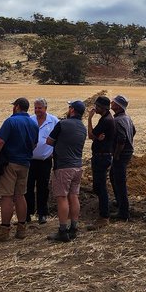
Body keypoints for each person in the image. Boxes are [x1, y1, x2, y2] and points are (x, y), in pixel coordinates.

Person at [0, 97, 37, 242]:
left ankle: (4, 230)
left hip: (10, 163)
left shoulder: (10, 121)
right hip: (25, 163)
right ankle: (21, 229)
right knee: (20, 195)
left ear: (17, 107)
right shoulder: (33, 123)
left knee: (7, 197)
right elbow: (34, 144)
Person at [45, 101, 88, 243]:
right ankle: (74, 228)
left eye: (70, 107)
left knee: (61, 197)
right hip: (77, 166)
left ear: (72, 110)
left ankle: (62, 231)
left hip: (63, 166)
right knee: (74, 196)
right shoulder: (82, 128)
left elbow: (49, 141)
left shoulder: (63, 123)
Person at [26, 98, 58, 225]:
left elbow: (57, 139)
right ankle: (27, 213)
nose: (37, 110)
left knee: (43, 187)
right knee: (28, 187)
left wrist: (53, 154)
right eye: (35, 108)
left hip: (45, 161)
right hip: (30, 160)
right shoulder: (30, 120)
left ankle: (42, 213)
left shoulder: (54, 121)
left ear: (45, 108)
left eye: (40, 108)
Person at [87, 95, 116, 228]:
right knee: (99, 186)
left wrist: (89, 119)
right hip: (103, 155)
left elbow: (91, 135)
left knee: (101, 187)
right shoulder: (107, 119)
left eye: (97, 106)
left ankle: (104, 216)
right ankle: (102, 213)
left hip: (101, 156)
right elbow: (95, 136)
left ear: (102, 108)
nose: (95, 108)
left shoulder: (106, 121)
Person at [110, 94, 136, 221]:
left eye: (113, 102)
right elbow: (134, 131)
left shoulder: (117, 121)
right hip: (128, 151)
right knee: (113, 175)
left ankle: (123, 211)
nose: (111, 103)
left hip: (122, 153)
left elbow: (121, 139)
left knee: (119, 181)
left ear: (119, 106)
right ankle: (119, 201)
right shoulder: (127, 118)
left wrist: (116, 154)